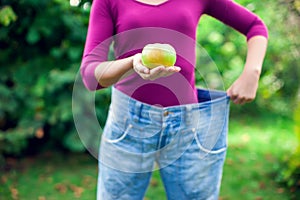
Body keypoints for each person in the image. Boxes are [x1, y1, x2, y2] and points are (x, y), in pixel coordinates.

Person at [80, 0, 268, 199]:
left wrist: (252, 72)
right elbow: (91, 75)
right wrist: (132, 62)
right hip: (128, 123)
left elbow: (255, 26)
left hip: (189, 127)